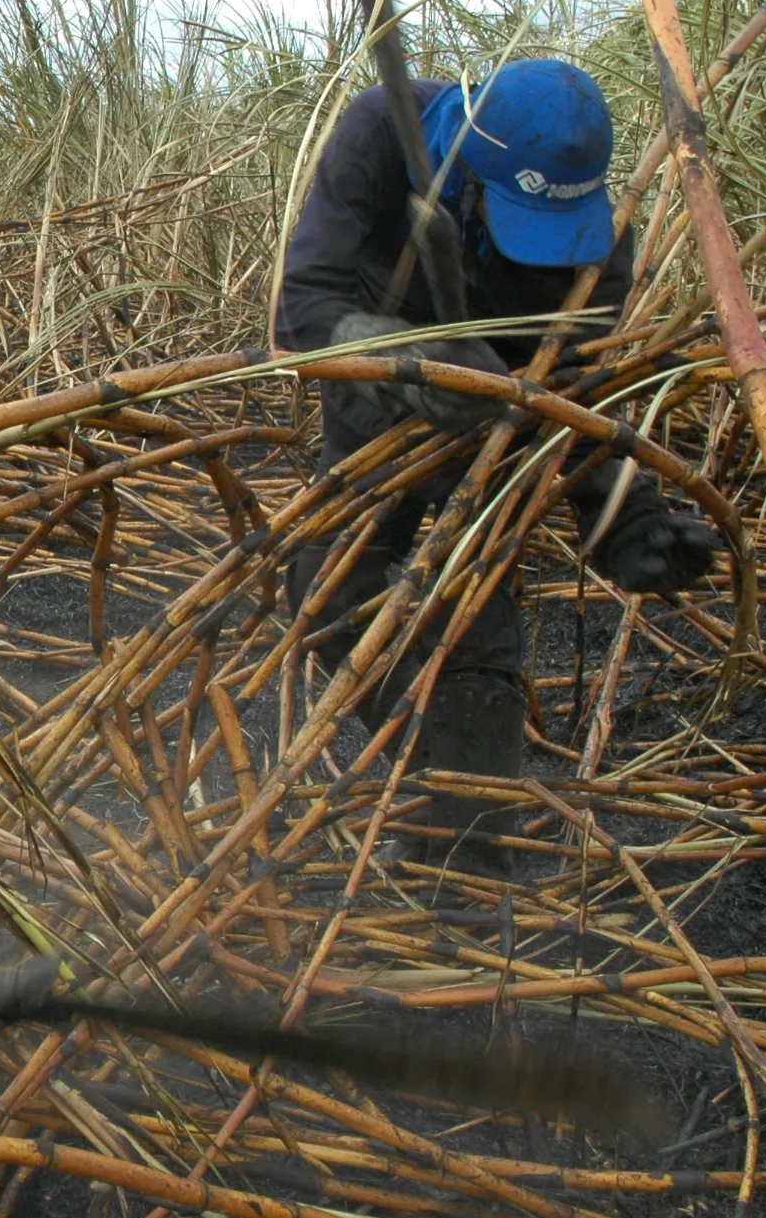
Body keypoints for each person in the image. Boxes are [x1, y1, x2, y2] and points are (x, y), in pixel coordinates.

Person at [275, 57, 718, 875]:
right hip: (373, 387)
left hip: (502, 425)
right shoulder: (381, 133)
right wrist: (405, 361)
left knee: (474, 615)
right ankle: (427, 768)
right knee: (326, 596)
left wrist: (628, 519)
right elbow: (302, 311)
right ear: (477, 174)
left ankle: (466, 848)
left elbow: (575, 394)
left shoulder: (592, 248)